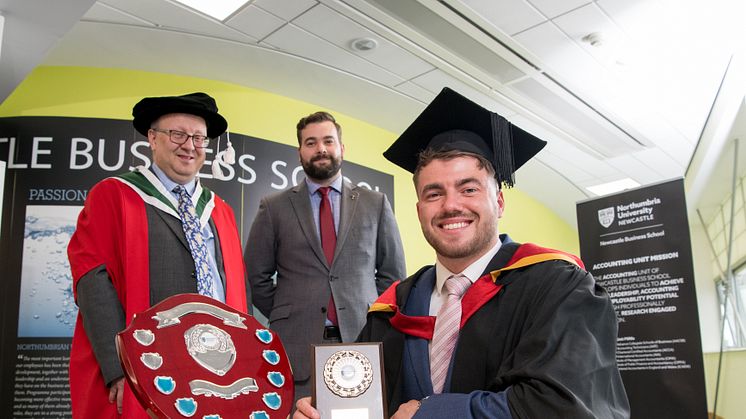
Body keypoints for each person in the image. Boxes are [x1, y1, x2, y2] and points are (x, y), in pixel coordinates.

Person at [294, 88, 630, 418]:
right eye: (434, 194)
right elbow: (364, 405)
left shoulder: (558, 287)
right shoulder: (393, 308)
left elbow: (566, 406)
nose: (451, 205)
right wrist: (326, 410)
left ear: (498, 202)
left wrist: (432, 413)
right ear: (419, 209)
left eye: (468, 189)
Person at [67, 92, 250, 419]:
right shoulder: (115, 195)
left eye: (198, 138)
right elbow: (92, 279)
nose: (189, 146)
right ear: (152, 138)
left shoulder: (219, 210)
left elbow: (238, 290)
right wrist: (119, 367)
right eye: (177, 134)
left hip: (215, 362)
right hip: (150, 362)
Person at [246, 111, 406, 400]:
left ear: (341, 148)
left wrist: (369, 315)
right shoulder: (274, 207)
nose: (320, 149)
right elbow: (255, 277)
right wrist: (289, 313)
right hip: (296, 347)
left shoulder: (375, 203)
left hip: (362, 340)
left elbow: (393, 276)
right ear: (300, 153)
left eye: (328, 141)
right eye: (311, 142)